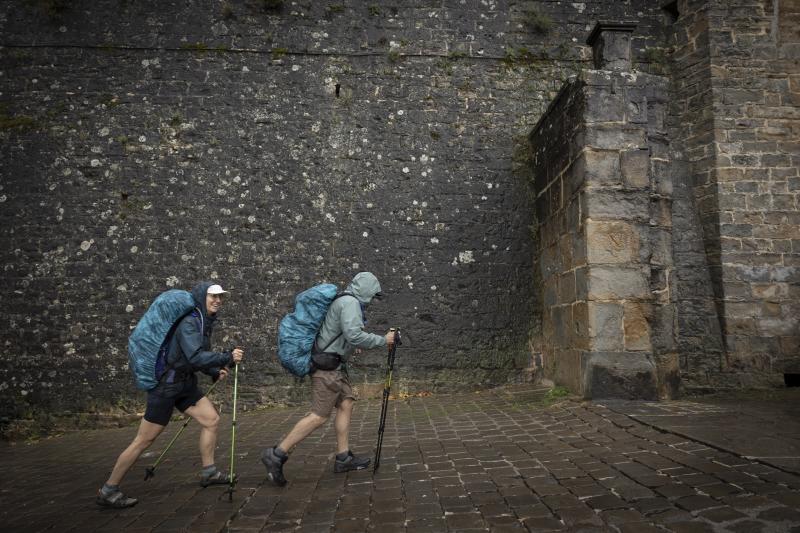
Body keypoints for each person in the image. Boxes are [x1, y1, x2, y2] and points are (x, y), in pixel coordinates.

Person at [96, 282, 245, 508]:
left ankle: (209, 472)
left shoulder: (203, 321)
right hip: (165, 388)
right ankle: (108, 489)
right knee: (144, 440)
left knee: (211, 420)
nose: (217, 300)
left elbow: (192, 358)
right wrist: (226, 357)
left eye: (220, 297)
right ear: (201, 297)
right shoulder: (190, 322)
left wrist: (214, 370)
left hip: (184, 384)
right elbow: (195, 357)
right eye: (213, 296)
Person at [261, 271, 395, 486]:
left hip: (335, 366)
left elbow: (343, 335)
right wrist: (383, 340)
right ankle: (277, 454)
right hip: (327, 369)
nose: (373, 300)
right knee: (318, 416)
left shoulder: (345, 300)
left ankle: (343, 458)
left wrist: (349, 348)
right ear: (367, 291)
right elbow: (354, 335)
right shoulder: (350, 303)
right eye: (373, 295)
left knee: (346, 403)